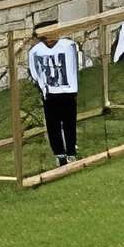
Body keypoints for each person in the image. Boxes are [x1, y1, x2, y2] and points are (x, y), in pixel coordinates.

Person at [25, 21, 81, 165]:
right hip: (50, 93)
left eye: (52, 36)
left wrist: (73, 87)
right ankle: (60, 154)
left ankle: (71, 152)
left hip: (68, 92)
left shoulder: (69, 46)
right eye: (45, 37)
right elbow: (34, 71)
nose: (49, 40)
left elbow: (76, 64)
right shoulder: (35, 51)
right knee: (53, 125)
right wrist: (43, 87)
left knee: (69, 123)